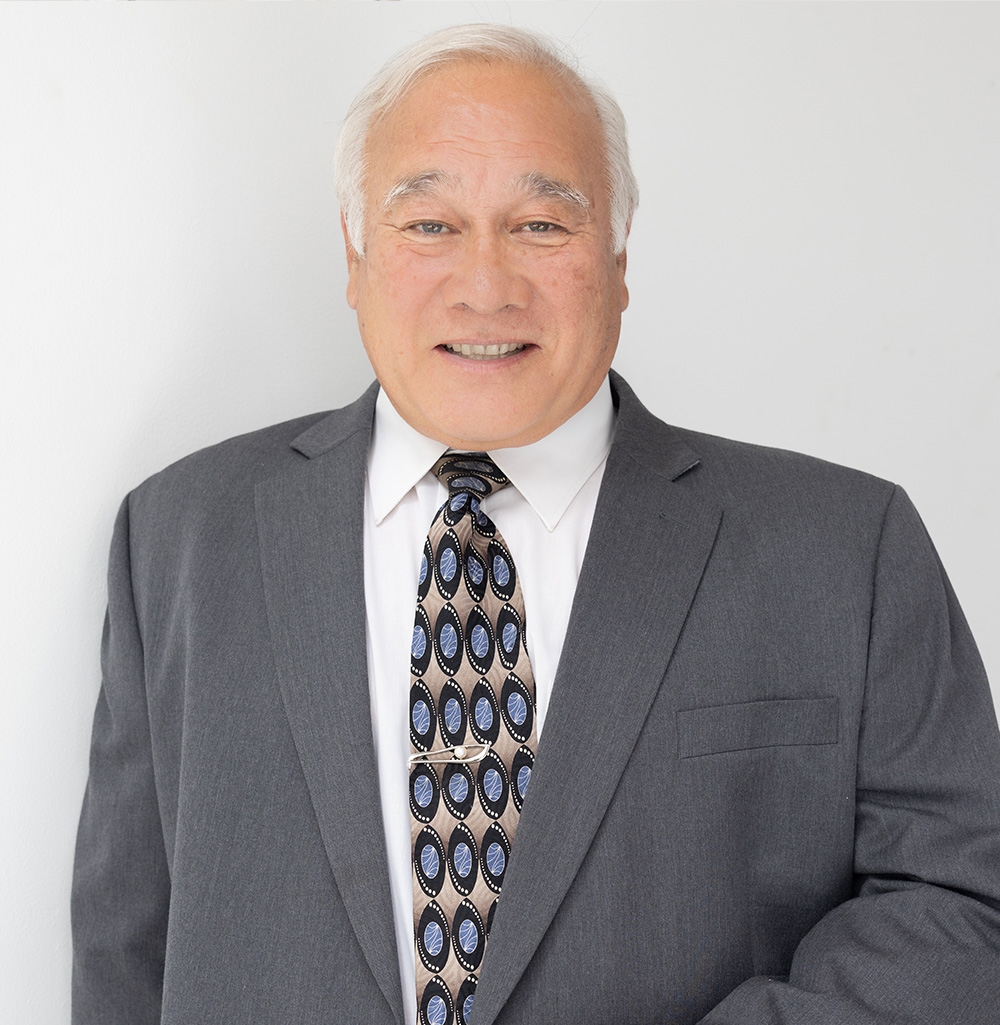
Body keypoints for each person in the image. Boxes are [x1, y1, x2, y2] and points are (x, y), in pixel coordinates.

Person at [72, 23, 1000, 1025]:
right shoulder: (179, 537)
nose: (485, 285)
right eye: (429, 224)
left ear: (619, 255)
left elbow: (962, 901)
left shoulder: (844, 549)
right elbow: (126, 950)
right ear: (354, 254)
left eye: (542, 225)